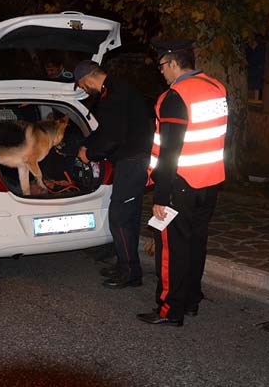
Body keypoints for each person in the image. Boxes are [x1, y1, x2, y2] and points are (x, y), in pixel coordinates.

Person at [136, 40, 228, 327]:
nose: (161, 72)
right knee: (195, 244)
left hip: (181, 184)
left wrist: (160, 197)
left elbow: (169, 151)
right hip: (210, 181)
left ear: (174, 62)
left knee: (172, 249)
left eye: (162, 66)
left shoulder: (175, 96)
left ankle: (169, 309)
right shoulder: (216, 87)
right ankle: (190, 300)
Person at [74, 60, 154, 289]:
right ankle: (125, 266)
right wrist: (85, 144)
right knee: (126, 216)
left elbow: (112, 138)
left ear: (88, 78)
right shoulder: (117, 89)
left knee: (121, 217)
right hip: (133, 160)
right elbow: (105, 129)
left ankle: (130, 273)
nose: (83, 90)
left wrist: (91, 155)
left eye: (81, 85)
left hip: (133, 162)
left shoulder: (113, 95)